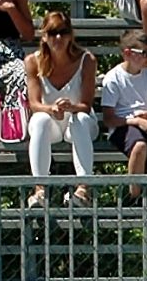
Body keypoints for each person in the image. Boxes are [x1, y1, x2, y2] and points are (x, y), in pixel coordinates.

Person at [18, 12, 97, 207]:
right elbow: (34, 103)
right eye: (53, 33)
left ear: (71, 35)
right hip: (51, 123)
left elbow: (86, 105)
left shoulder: (87, 60)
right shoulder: (32, 61)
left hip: (80, 123)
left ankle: (83, 188)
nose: (59, 38)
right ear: (44, 36)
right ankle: (40, 189)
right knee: (39, 120)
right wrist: (51, 109)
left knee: (79, 119)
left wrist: (71, 107)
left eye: (63, 32)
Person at [98, 30, 147, 184]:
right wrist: (136, 121)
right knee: (139, 146)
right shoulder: (113, 79)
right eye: (144, 53)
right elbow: (109, 119)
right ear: (128, 53)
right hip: (122, 125)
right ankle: (134, 195)